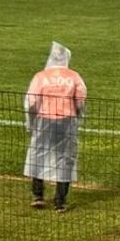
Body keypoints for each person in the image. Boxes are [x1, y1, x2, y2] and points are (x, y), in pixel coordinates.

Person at [24, 42, 87, 212]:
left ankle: (38, 195)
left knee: (38, 155)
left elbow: (31, 103)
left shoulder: (40, 76)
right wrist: (79, 116)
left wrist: (30, 122)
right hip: (67, 120)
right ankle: (60, 201)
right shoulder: (74, 76)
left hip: (44, 119)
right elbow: (80, 100)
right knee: (65, 159)